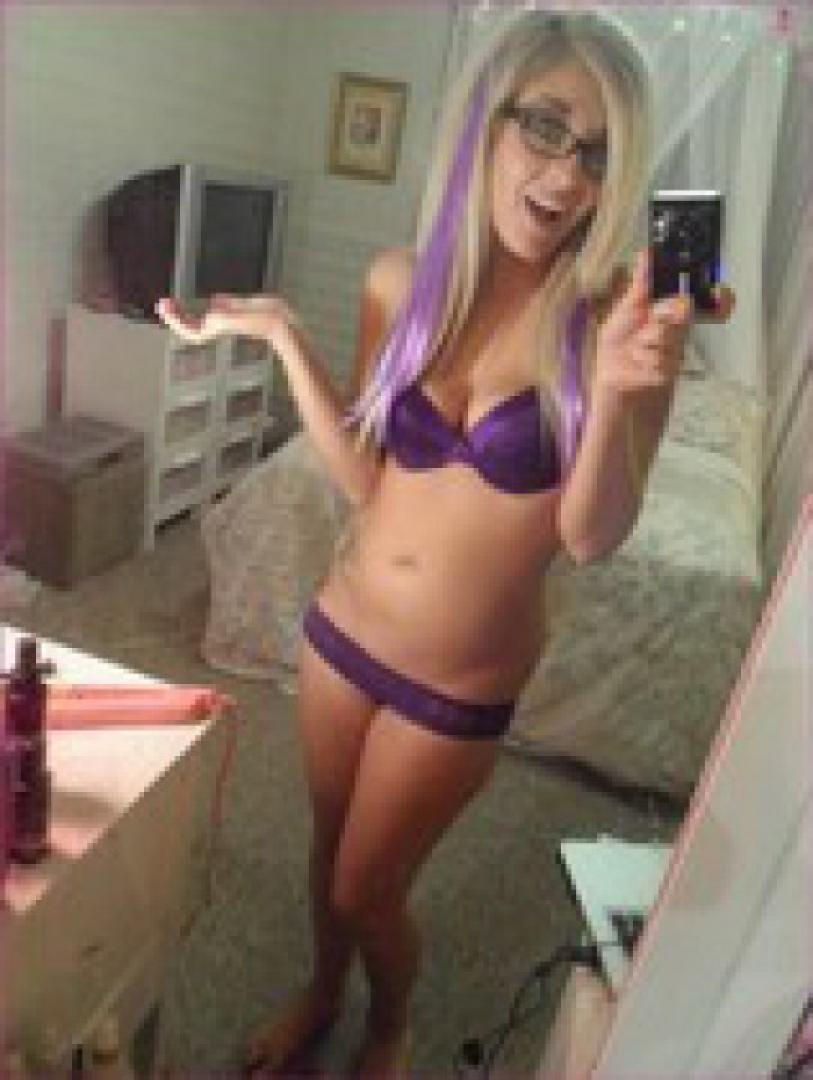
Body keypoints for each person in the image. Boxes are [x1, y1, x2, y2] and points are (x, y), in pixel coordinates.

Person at [157, 10, 734, 1077]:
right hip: (340, 635)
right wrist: (284, 335)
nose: (566, 174)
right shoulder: (399, 283)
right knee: (326, 853)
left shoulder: (615, 326)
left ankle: (388, 1025)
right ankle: (320, 994)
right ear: (486, 123)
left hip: (456, 684)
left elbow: (592, 536)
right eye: (545, 127)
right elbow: (367, 478)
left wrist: (617, 391)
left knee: (366, 887)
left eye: (598, 152)